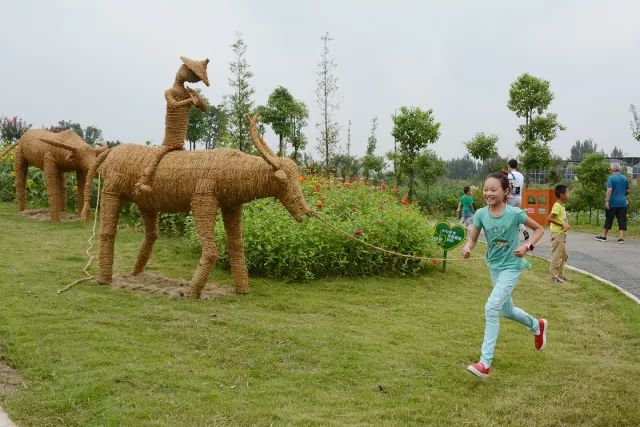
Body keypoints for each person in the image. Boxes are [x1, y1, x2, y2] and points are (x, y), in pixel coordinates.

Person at [462, 172, 546, 380]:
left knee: (491, 307)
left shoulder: (514, 213)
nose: (488, 193)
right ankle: (537, 325)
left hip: (512, 266)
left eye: (493, 189)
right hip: (494, 267)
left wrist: (527, 245)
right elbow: (473, 239)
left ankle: (484, 363)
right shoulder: (481, 214)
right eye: (485, 189)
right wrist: (467, 247)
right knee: (506, 310)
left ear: (506, 191)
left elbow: (539, 229)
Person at [135, 56, 210, 194]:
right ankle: (142, 181)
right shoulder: (169, 92)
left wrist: (198, 98)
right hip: (170, 139)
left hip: (180, 140)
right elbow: (173, 104)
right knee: (157, 156)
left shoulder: (189, 93)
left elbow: (205, 108)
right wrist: (189, 101)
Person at [595, 162, 629, 244]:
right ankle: (621, 239)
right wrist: (622, 196)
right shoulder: (624, 178)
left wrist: (607, 200)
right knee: (622, 220)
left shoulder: (611, 178)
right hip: (623, 203)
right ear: (619, 169)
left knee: (609, 219)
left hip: (612, 203)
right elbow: (628, 190)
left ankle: (603, 236)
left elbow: (609, 190)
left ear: (611, 170)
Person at [548, 185, 570, 283]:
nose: (568, 195)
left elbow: (562, 218)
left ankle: (560, 275)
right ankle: (554, 277)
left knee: (564, 255)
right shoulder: (557, 205)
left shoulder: (562, 205)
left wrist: (566, 224)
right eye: (567, 193)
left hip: (562, 234)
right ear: (561, 195)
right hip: (557, 234)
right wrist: (562, 224)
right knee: (557, 255)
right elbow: (550, 218)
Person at [506, 159, 529, 240]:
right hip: (519, 197)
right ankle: (524, 230)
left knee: (509, 216)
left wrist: (508, 194)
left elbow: (510, 186)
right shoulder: (521, 175)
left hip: (511, 198)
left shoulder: (510, 175)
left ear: (509, 165)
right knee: (517, 215)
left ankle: (510, 234)